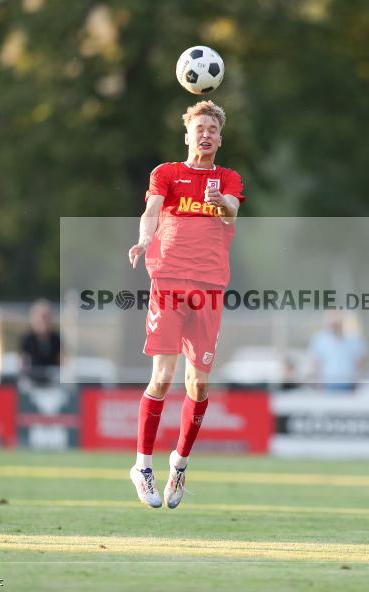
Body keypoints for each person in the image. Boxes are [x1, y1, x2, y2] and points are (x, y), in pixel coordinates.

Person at [126, 100, 245, 509]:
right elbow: (152, 211)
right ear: (188, 135)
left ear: (220, 139)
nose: (206, 134)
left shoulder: (227, 178)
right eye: (200, 128)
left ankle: (179, 462)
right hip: (169, 281)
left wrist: (219, 200)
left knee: (198, 384)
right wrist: (145, 238)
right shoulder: (167, 173)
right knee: (162, 377)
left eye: (213, 129)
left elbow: (232, 213)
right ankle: (142, 466)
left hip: (210, 287)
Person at [308, 312, 368, 391]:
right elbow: (316, 363)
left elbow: (360, 364)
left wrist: (358, 384)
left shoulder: (355, 339)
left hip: (349, 385)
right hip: (327, 385)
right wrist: (318, 385)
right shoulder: (320, 339)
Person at [19, 299, 62, 380]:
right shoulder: (27, 339)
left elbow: (62, 362)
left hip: (53, 379)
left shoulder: (56, 338)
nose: (44, 320)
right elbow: (22, 363)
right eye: (42, 317)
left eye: (47, 317)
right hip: (32, 379)